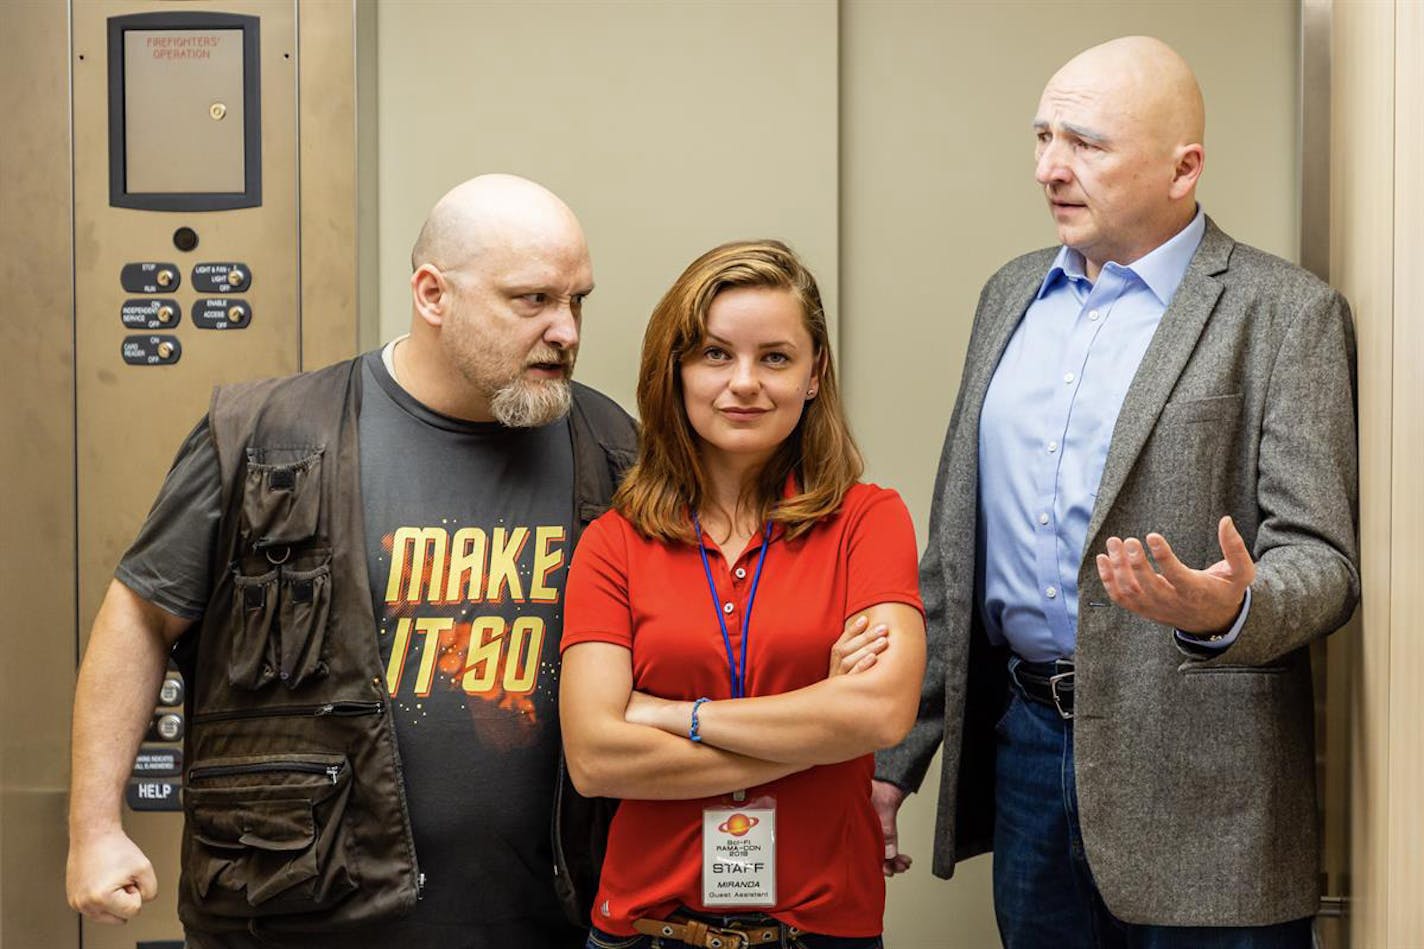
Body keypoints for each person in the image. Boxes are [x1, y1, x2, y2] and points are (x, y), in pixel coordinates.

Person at [64, 174, 638, 948]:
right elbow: (139, 613)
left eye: (578, 301)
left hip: (558, 916)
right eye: (532, 300)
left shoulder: (611, 445)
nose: (566, 330)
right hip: (306, 911)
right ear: (433, 295)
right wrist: (95, 826)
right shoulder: (267, 434)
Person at [873, 36, 1358, 949]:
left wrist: (1229, 606)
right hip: (1025, 749)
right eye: (1044, 137)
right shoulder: (1009, 294)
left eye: (1087, 144)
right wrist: (895, 759)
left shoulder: (1284, 313)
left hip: (1210, 792)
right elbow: (955, 550)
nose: (1050, 167)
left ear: (1185, 168)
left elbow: (1324, 561)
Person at [560, 240, 926, 949]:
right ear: (677, 370)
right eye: (715, 353)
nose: (745, 382)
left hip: (821, 929)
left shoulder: (868, 520)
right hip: (646, 930)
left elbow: (881, 711)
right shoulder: (614, 541)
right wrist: (819, 726)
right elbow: (596, 757)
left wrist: (672, 714)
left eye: (776, 357)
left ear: (815, 373)